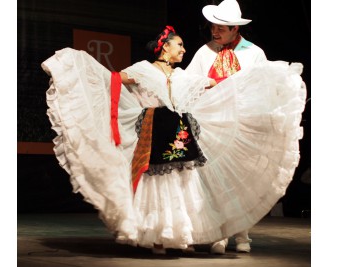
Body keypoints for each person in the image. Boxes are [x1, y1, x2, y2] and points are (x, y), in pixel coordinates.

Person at [41, 25, 306, 255]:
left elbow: (220, 85)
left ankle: (181, 236)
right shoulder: (142, 70)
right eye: (179, 45)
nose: (183, 50)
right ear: (164, 47)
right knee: (156, 185)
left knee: (182, 186)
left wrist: (260, 80)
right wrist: (73, 70)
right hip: (151, 135)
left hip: (179, 137)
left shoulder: (183, 76)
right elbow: (110, 81)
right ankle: (157, 238)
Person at [185, 0, 268, 254]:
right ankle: (217, 235)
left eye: (221, 27)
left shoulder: (253, 53)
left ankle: (242, 234)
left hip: (240, 122)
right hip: (211, 123)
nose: (214, 31)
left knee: (239, 178)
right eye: (213, 26)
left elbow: (262, 86)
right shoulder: (205, 52)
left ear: (235, 28)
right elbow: (189, 81)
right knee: (213, 178)